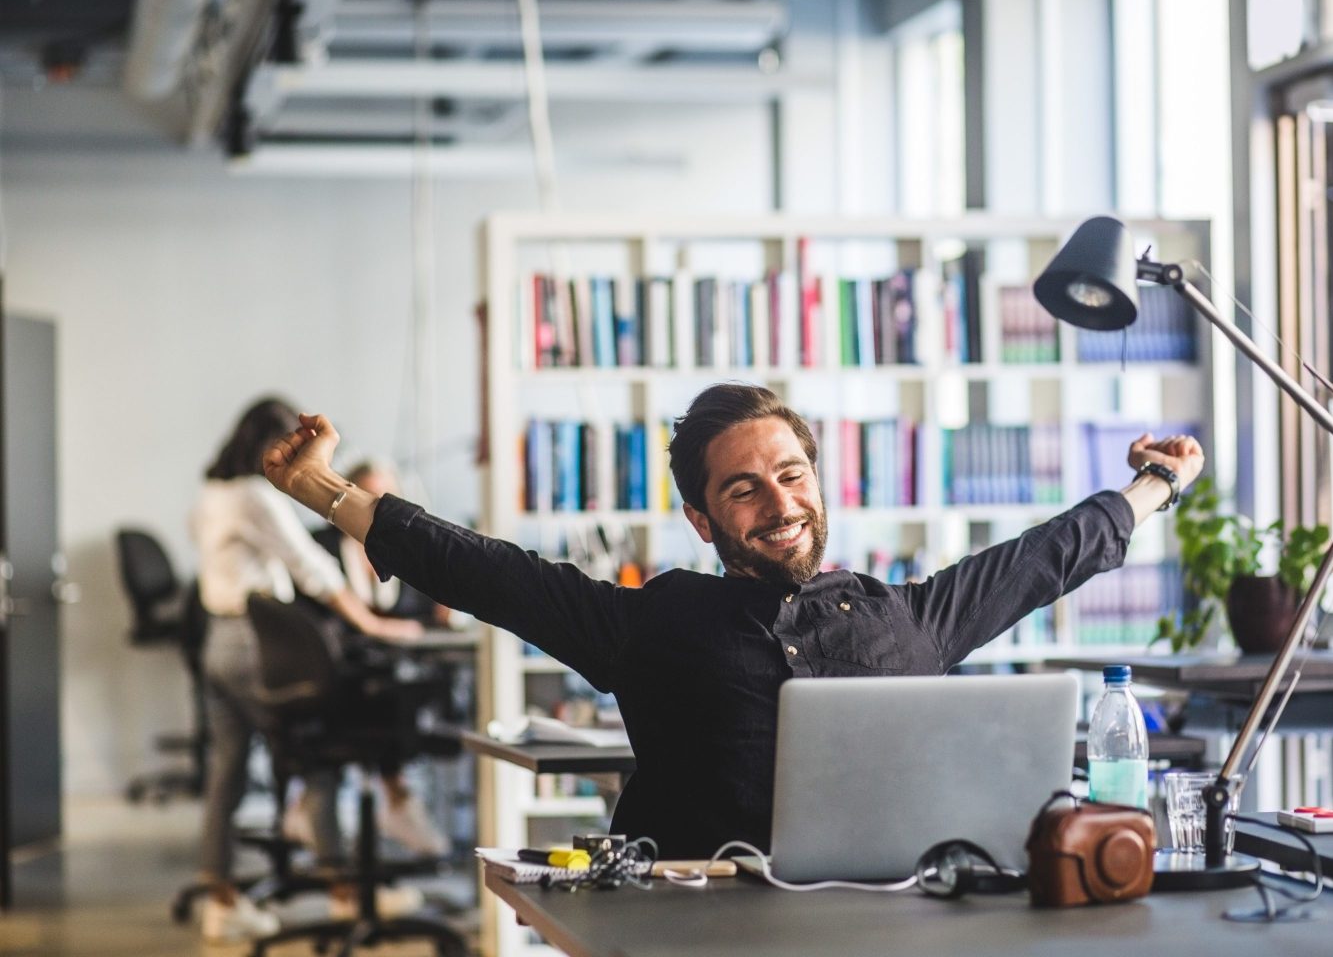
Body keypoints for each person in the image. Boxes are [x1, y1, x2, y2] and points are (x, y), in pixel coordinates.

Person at [263, 383, 1204, 859]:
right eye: (745, 489)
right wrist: (320, 489)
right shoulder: (653, 623)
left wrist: (1156, 483)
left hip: (892, 913)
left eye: (792, 476)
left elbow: (1046, 558)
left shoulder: (904, 616)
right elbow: (485, 573)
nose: (780, 502)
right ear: (705, 520)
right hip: (702, 917)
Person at [191, 398, 424, 942]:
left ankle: (220, 901)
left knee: (225, 775)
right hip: (253, 643)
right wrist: (371, 624)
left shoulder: (212, 495)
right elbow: (312, 568)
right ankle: (346, 891)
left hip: (216, 642)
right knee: (319, 755)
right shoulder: (252, 495)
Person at [305, 460, 454, 857]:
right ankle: (398, 798)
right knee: (393, 698)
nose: (374, 506)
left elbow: (414, 609)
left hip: (387, 668)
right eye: (365, 494)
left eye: (385, 498)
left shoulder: (400, 547)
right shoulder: (320, 547)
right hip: (338, 675)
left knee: (422, 687)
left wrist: (442, 603)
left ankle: (397, 798)